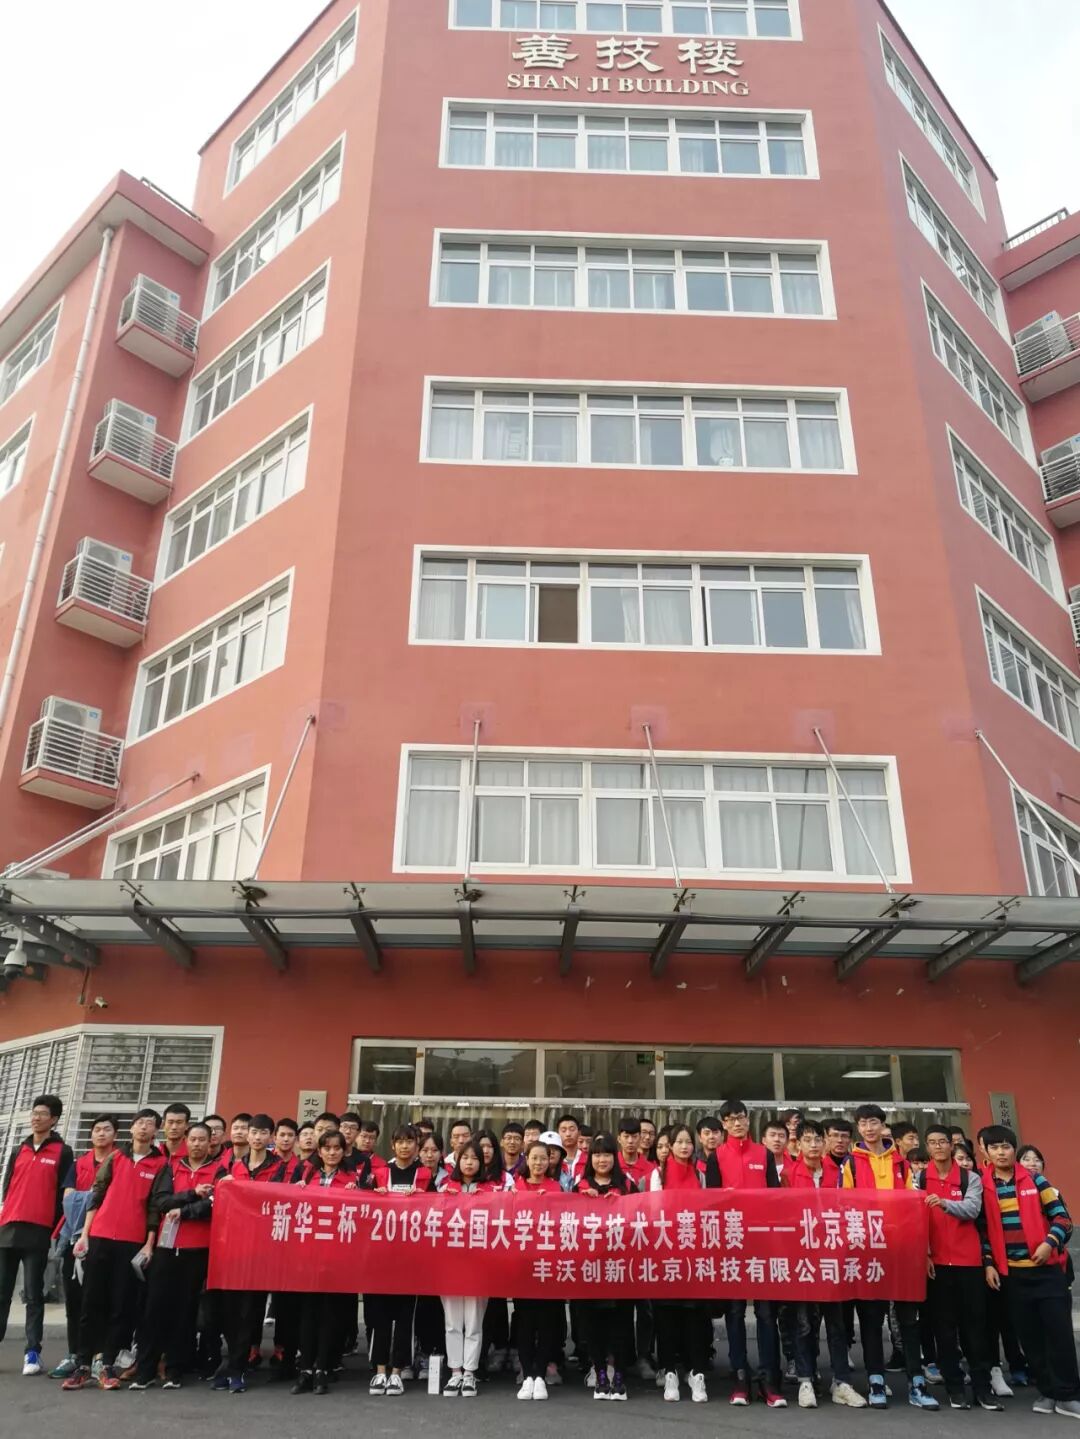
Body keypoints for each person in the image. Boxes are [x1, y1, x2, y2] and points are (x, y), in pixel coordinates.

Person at [63, 1109, 166, 1391]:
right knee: (91, 1302)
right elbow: (97, 1193)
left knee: (121, 1305)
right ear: (131, 1129)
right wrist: (85, 1235)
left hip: (132, 1241)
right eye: (139, 1123)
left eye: (150, 1124)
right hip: (100, 1236)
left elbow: (155, 1206)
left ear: (156, 1131)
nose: (144, 1128)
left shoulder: (160, 1164)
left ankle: (107, 1364)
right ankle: (83, 1364)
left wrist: (149, 1243)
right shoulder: (116, 1157)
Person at [981, 1124, 1080, 1418]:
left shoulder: (1036, 1181)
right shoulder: (982, 1186)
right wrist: (989, 1264)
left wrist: (1050, 1244)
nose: (1001, 1152)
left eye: (1006, 1146)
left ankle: (1068, 1395)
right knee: (1031, 1339)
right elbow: (983, 1232)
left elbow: (1063, 1219)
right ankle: (1048, 1392)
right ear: (985, 1151)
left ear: (1014, 1149)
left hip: (1047, 1273)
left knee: (1059, 1335)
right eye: (995, 1147)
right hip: (1012, 1277)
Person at [842, 1103, 936, 1411]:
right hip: (869, 1250)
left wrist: (922, 1249)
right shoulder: (851, 1163)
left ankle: (916, 1382)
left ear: (883, 1126)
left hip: (902, 1249)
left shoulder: (902, 1164)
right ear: (858, 1128)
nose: (868, 1128)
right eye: (862, 1123)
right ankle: (876, 1380)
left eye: (873, 1122)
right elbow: (846, 1206)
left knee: (908, 1319)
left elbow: (914, 1206)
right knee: (871, 1318)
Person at [129, 1121, 225, 1390]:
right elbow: (161, 1202)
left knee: (185, 1312)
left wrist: (183, 1211)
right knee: (154, 1309)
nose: (197, 1144)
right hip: (166, 1248)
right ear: (185, 1140)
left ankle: (174, 1370)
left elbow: (214, 1205)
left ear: (211, 1141)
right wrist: (192, 1194)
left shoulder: (219, 1170)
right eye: (192, 1139)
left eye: (202, 1139)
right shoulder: (171, 1167)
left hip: (198, 1250)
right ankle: (145, 1371)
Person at [913, 1125, 1000, 1411]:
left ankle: (983, 1388)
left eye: (943, 1142)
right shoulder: (919, 1178)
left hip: (969, 1263)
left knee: (975, 1328)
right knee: (944, 1329)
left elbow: (972, 1209)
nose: (938, 1146)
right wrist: (925, 1253)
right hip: (937, 1264)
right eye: (932, 1142)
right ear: (927, 1147)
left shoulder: (969, 1178)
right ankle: (955, 1388)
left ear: (952, 1146)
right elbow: (914, 1219)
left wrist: (944, 1203)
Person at [786, 1121, 866, 1409]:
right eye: (807, 1140)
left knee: (836, 1323)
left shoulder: (839, 1172)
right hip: (803, 1257)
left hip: (833, 1256)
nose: (813, 1145)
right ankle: (806, 1379)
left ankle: (841, 1382)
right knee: (804, 1324)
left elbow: (850, 1208)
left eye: (818, 1140)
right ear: (798, 1144)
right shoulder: (788, 1175)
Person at [709, 1099, 783, 1407]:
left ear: (748, 1120)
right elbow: (710, 1202)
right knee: (736, 1312)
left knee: (766, 1313)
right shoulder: (716, 1156)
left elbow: (777, 1197)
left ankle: (769, 1379)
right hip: (731, 1243)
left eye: (741, 1117)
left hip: (762, 1243)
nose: (737, 1123)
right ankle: (740, 1377)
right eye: (731, 1119)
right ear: (724, 1124)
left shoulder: (763, 1154)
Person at [0, 1094, 74, 1376]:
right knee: (1, 1294)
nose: (36, 1117)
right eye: (34, 1112)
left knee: (33, 1295)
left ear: (53, 1119)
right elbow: (8, 1187)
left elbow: (63, 1194)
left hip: (37, 1231)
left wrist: (52, 1225)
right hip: (8, 1229)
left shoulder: (62, 1151)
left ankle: (32, 1352)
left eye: (42, 1113)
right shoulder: (19, 1149)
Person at [216, 1114, 284, 1392]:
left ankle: (236, 1369)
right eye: (253, 1132)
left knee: (250, 1311)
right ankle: (233, 1363)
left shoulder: (279, 1168)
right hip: (232, 1247)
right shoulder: (231, 1165)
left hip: (262, 1249)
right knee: (228, 1311)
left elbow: (278, 1200)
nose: (257, 1137)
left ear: (271, 1137)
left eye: (263, 1133)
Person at [292, 1130, 361, 1395]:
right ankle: (305, 1369)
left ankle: (323, 1367)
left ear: (344, 1151)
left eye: (337, 1148)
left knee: (330, 1315)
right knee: (308, 1314)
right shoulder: (306, 1175)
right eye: (327, 1148)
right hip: (309, 1256)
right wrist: (297, 1192)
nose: (332, 1152)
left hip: (337, 1258)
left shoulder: (352, 1179)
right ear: (319, 1152)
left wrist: (358, 1194)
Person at [50, 1114, 118, 1380]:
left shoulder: (119, 1162)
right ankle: (75, 1354)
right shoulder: (79, 1163)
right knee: (74, 1300)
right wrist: (97, 1198)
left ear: (115, 1135)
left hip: (106, 1239)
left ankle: (100, 1356)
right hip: (74, 1238)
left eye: (107, 1129)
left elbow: (115, 1199)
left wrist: (88, 1197)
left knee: (101, 1300)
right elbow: (68, 1198)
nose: (101, 1133)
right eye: (97, 1129)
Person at [368, 1125, 431, 1395]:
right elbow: (360, 1205)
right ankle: (380, 1370)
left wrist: (425, 1198)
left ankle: (397, 1371)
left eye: (410, 1141)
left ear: (417, 1146)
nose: (405, 1146)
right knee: (380, 1316)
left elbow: (439, 1207)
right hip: (381, 1256)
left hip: (411, 1257)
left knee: (405, 1317)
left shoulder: (425, 1174)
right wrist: (373, 1195)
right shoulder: (380, 1174)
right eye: (400, 1142)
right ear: (393, 1145)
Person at [648, 1124, 709, 1402]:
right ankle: (669, 1372)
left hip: (693, 1252)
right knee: (666, 1315)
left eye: (688, 1142)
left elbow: (706, 1208)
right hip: (666, 1251)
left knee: (694, 1315)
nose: (685, 1146)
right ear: (670, 1146)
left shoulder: (700, 1173)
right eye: (679, 1142)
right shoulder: (658, 1174)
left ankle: (696, 1373)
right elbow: (654, 1212)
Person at [574, 1135, 635, 1401]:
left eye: (607, 1154)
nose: (602, 1159)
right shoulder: (579, 1187)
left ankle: (619, 1375)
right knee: (592, 1324)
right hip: (589, 1266)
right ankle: (599, 1372)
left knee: (621, 1323)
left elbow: (641, 1219)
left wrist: (618, 1203)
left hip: (620, 1265)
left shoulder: (627, 1186)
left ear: (614, 1158)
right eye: (597, 1155)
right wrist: (583, 1202)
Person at [441, 1141, 498, 1396]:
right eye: (465, 1157)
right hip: (450, 1264)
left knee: (474, 1322)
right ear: (457, 1160)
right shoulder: (444, 1187)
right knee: (452, 1322)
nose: (469, 1162)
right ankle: (455, 1371)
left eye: (475, 1158)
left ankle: (470, 1373)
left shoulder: (492, 1190)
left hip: (479, 1266)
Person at [514, 1142, 563, 1400]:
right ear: (527, 1159)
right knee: (524, 1321)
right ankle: (527, 1374)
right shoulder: (516, 1186)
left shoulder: (556, 1188)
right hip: (522, 1264)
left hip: (548, 1263)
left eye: (544, 1158)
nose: (539, 1163)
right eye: (534, 1158)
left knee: (546, 1322)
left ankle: (541, 1375)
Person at [616, 1117, 657, 1379]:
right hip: (619, 1245)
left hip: (645, 1244)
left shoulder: (652, 1169)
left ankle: (644, 1356)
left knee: (645, 1307)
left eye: (635, 1136)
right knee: (620, 1308)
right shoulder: (610, 1165)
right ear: (619, 1138)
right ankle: (621, 1356)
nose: (631, 1141)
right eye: (627, 1136)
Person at [557, 1114, 586, 1185]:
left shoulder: (588, 1160)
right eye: (563, 1130)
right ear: (558, 1134)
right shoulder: (554, 1161)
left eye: (572, 1130)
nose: (568, 1134)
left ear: (579, 1133)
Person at [762, 1117, 789, 1181]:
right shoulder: (756, 1165)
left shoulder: (795, 1166)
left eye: (781, 1136)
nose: (777, 1139)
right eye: (772, 1135)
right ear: (764, 1140)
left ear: (787, 1142)